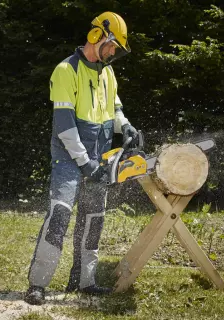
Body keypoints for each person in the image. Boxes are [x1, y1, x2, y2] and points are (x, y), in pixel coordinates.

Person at [24, 11, 139, 305]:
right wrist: (85, 163)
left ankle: (84, 281)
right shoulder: (66, 70)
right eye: (112, 45)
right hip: (69, 157)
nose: (114, 52)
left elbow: (115, 110)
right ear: (97, 36)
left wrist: (125, 126)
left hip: (98, 158)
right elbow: (64, 126)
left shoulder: (108, 73)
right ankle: (38, 284)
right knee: (60, 214)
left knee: (93, 218)